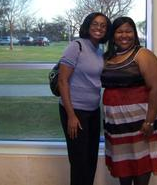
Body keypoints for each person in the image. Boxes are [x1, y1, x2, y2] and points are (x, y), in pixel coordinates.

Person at [101, 16, 157, 185]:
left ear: (135, 34)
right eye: (119, 31)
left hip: (140, 121)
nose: (124, 35)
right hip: (116, 124)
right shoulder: (108, 57)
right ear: (112, 35)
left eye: (128, 31)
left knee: (141, 162)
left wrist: (149, 121)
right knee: (123, 162)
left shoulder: (143, 54)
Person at [58, 12, 111, 185]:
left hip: (93, 111)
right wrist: (71, 115)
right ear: (88, 26)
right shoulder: (76, 46)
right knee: (79, 162)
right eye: (95, 24)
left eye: (103, 25)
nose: (99, 28)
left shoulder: (98, 50)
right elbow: (62, 80)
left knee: (90, 160)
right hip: (75, 111)